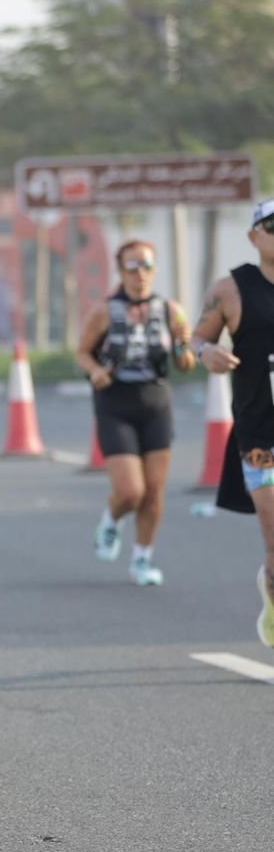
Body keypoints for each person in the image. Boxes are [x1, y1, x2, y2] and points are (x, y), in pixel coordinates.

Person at [76, 239, 193, 586]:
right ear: (121, 270)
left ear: (154, 270)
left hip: (156, 403)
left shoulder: (171, 310)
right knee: (131, 491)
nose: (139, 273)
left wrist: (184, 343)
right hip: (116, 404)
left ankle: (142, 560)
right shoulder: (104, 310)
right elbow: (82, 352)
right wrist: (95, 371)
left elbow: (185, 365)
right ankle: (111, 520)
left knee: (154, 492)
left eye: (145, 265)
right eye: (132, 266)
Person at [191, 198, 274, 648]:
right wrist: (207, 352)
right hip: (261, 431)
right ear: (254, 236)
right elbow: (197, 336)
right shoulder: (231, 289)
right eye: (273, 225)